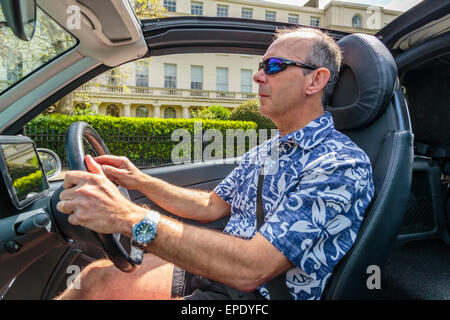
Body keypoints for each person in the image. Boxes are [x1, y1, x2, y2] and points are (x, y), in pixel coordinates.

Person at [56, 27, 374, 300]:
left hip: (252, 292)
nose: (258, 75)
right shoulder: (270, 149)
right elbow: (211, 204)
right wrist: (139, 180)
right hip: (220, 271)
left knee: (96, 287)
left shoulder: (339, 164)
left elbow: (252, 268)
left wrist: (127, 215)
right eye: (262, 65)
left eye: (274, 66)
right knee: (94, 276)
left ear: (315, 80)